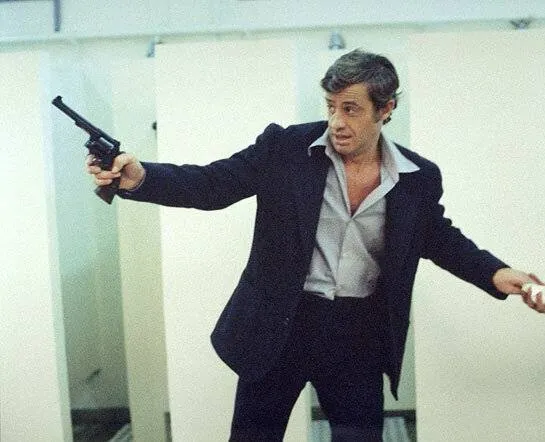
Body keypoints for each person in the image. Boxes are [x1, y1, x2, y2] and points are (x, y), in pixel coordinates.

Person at [87, 49, 543, 441]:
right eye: (331, 107)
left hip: (359, 333)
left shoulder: (417, 177)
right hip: (281, 323)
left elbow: (437, 236)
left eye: (351, 109)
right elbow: (213, 184)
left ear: (386, 109)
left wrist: (497, 273)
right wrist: (140, 177)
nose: (337, 122)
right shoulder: (286, 148)